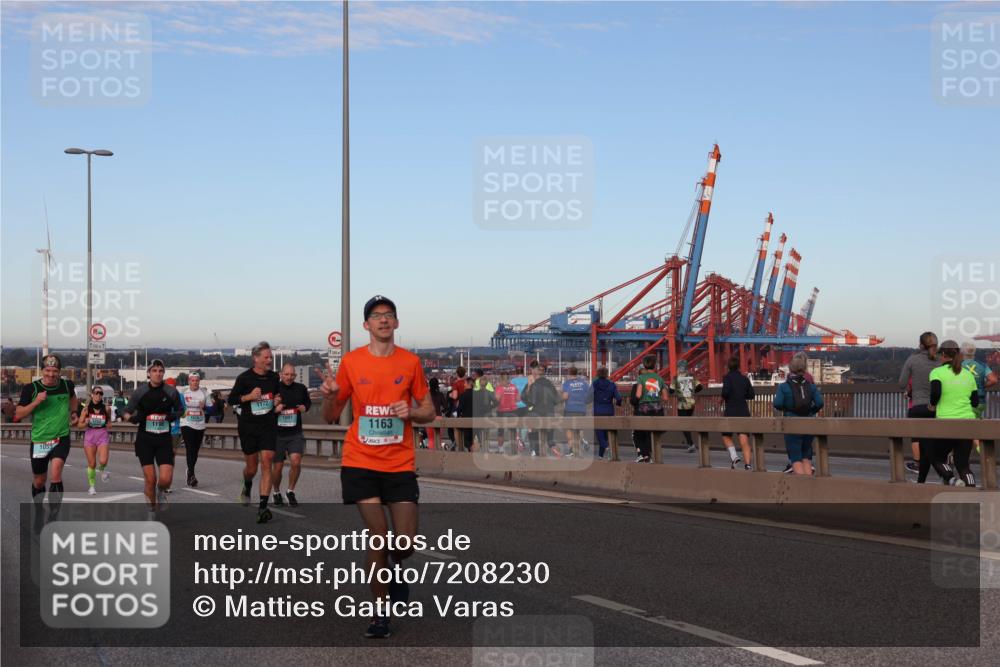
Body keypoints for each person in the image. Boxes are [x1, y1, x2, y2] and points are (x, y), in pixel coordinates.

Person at [320, 295, 435, 639]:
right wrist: (329, 395)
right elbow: (329, 416)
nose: (383, 320)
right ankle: (379, 613)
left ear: (396, 323)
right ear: (366, 325)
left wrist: (411, 412)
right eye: (376, 316)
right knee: (378, 537)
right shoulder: (352, 363)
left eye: (388, 315)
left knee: (405, 543)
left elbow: (428, 410)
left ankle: (396, 569)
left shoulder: (410, 363)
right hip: (360, 461)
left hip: (399, 463)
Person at [229, 341, 283, 523]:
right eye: (266, 357)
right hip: (248, 427)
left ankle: (262, 507)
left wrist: (276, 401)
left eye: (271, 357)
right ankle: (247, 484)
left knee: (267, 462)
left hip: (268, 426)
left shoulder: (274, 377)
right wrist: (249, 397)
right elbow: (231, 399)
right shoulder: (244, 378)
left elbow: (277, 395)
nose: (270, 360)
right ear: (256, 358)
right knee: (251, 468)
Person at [16, 354, 77, 514]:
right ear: (42, 370)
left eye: (55, 371)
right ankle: (38, 508)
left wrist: (74, 412)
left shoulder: (67, 385)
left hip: (61, 437)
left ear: (59, 371)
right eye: (48, 370)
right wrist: (35, 402)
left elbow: (73, 398)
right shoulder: (31, 389)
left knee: (56, 474)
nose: (51, 374)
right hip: (40, 440)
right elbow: (20, 413)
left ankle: (53, 515)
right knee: (39, 480)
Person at [121, 360, 184, 514]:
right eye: (154, 370)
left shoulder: (171, 392)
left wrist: (170, 416)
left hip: (164, 439)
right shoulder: (140, 392)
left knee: (165, 479)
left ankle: (161, 492)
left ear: (163, 373)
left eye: (160, 371)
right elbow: (126, 410)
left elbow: (181, 410)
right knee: (150, 480)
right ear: (149, 373)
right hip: (145, 440)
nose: (157, 373)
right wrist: (131, 418)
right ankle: (151, 512)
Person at [928, 341, 979, 487]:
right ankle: (971, 489)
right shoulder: (968, 375)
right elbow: (975, 402)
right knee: (963, 464)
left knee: (937, 458)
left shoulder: (937, 372)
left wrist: (932, 405)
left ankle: (951, 479)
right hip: (967, 423)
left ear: (943, 355)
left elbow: (935, 393)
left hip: (946, 422)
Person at [773, 354, 824, 475]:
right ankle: (809, 487)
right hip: (808, 424)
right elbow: (820, 402)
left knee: (796, 458)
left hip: (792, 424)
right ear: (804, 369)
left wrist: (787, 409)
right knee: (806, 457)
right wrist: (811, 411)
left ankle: (802, 488)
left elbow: (777, 403)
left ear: (790, 369)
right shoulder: (811, 386)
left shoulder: (783, 387)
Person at [899, 332, 940, 474]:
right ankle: (943, 463)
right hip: (937, 407)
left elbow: (901, 383)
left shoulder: (913, 360)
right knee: (934, 437)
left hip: (917, 406)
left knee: (916, 436)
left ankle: (918, 463)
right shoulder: (940, 360)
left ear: (921, 344)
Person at [273, 362, 311, 507]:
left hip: (295, 432)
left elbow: (307, 403)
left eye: (292, 375)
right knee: (278, 467)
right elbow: (264, 409)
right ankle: (276, 492)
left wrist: (304, 407)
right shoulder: (274, 388)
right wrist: (275, 409)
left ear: (295, 375)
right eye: (286, 374)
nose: (289, 377)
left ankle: (290, 491)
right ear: (281, 374)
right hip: (277, 434)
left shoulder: (300, 388)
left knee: (296, 462)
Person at [961, 341, 998, 454]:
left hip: (965, 402)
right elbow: (994, 380)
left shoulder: (959, 365)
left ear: (962, 352)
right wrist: (982, 385)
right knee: (972, 427)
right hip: (980, 401)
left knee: (966, 430)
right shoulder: (982, 365)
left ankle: (983, 452)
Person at [76, 385, 111, 495]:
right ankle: (92, 486)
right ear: (92, 395)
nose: (99, 395)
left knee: (103, 461)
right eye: (97, 393)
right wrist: (85, 422)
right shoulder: (86, 409)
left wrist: (109, 424)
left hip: (102, 435)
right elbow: (79, 426)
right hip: (90, 436)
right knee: (92, 463)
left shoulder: (106, 408)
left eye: (101, 393)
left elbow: (109, 422)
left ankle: (102, 469)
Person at [720, 357, 755, 470]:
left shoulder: (727, 378)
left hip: (730, 410)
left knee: (726, 436)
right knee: (744, 439)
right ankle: (748, 464)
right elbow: (751, 395)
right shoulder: (744, 379)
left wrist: (723, 398)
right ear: (739, 366)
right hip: (743, 411)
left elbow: (725, 392)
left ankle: (734, 456)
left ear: (728, 367)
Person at [521, 360, 560, 457]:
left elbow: (525, 398)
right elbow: (556, 399)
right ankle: (552, 445)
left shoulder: (532, 384)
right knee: (548, 432)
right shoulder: (549, 383)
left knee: (531, 428)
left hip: (536, 413)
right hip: (549, 413)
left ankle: (534, 449)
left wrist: (529, 387)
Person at [180, 371, 211, 488]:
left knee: (196, 451)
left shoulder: (204, 392)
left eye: (197, 380)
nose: (195, 383)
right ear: (189, 381)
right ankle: (191, 475)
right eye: (192, 380)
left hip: (200, 424)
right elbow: (177, 405)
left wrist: (206, 406)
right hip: (186, 423)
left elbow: (212, 409)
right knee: (190, 448)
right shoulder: (183, 391)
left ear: (199, 381)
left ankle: (190, 470)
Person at [633, 355, 666, 463]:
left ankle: (647, 455)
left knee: (643, 433)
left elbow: (638, 395)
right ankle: (656, 455)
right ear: (655, 365)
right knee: (654, 433)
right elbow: (665, 397)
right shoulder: (659, 378)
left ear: (644, 365)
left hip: (644, 409)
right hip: (657, 409)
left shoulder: (641, 378)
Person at [668, 360, 702, 453]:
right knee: (688, 422)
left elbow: (671, 391)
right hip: (691, 403)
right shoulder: (691, 377)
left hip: (682, 405)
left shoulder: (676, 378)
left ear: (678, 367)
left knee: (683, 424)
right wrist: (692, 392)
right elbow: (700, 387)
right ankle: (689, 440)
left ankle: (690, 444)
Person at [591, 366, 622, 460]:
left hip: (598, 411)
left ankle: (607, 448)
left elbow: (587, 397)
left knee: (599, 434)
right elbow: (619, 398)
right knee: (605, 434)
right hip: (609, 411)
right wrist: (618, 404)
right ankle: (600, 456)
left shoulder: (595, 384)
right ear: (607, 374)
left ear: (598, 374)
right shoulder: (612, 384)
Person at [561, 367, 591, 457]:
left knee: (569, 430)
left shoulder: (567, 384)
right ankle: (582, 440)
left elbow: (565, 396)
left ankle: (571, 450)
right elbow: (589, 395)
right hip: (581, 409)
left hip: (570, 409)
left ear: (569, 374)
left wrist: (560, 399)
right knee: (579, 428)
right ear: (576, 373)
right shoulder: (584, 383)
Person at [494, 372, 520, 454]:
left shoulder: (500, 388)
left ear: (501, 379)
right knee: (513, 430)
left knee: (501, 431)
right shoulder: (514, 387)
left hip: (502, 411)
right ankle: (514, 449)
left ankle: (501, 449)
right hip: (513, 411)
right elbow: (518, 399)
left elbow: (497, 399)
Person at [471, 368, 496, 450]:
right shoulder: (488, 383)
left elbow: (473, 396)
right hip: (487, 410)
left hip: (477, 410)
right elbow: (493, 395)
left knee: (476, 429)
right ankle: (485, 446)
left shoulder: (475, 383)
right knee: (485, 430)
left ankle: (476, 446)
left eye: (474, 375)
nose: (473, 376)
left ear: (477, 375)